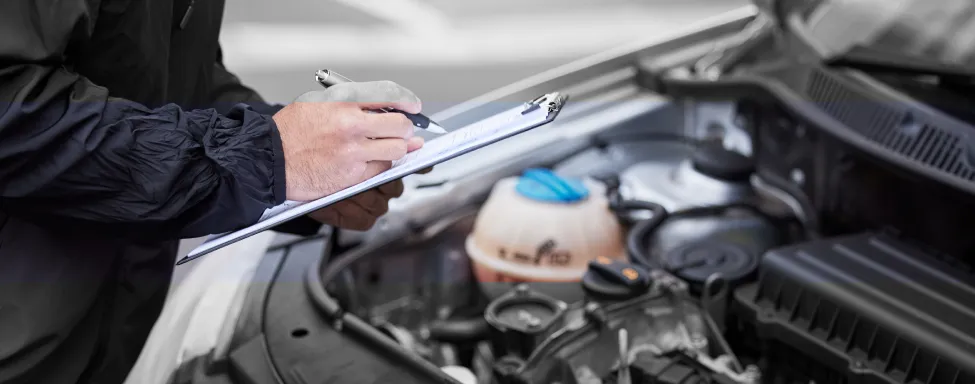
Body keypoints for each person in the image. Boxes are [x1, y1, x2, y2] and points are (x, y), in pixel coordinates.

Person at [0, 1, 428, 383]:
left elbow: (175, 86)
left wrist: (304, 165)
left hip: (101, 334)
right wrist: (269, 155)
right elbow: (12, 113)